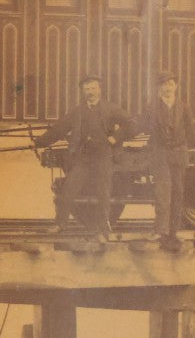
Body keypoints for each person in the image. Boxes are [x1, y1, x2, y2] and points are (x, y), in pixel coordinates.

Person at [35, 75, 132, 238]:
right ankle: (60, 224)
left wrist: (115, 138)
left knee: (103, 192)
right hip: (83, 158)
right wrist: (39, 142)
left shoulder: (111, 109)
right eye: (86, 89)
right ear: (82, 91)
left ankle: (103, 229)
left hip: (103, 157)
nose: (90, 92)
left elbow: (130, 124)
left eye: (93, 88)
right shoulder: (77, 111)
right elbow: (59, 129)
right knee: (68, 189)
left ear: (100, 89)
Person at [137, 71, 195, 247]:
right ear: (159, 88)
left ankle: (174, 231)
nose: (168, 88)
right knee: (162, 193)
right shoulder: (152, 108)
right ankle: (160, 230)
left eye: (170, 84)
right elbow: (143, 127)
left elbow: (191, 132)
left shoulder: (184, 107)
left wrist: (182, 147)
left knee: (178, 192)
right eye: (164, 84)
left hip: (178, 154)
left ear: (176, 87)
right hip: (160, 154)